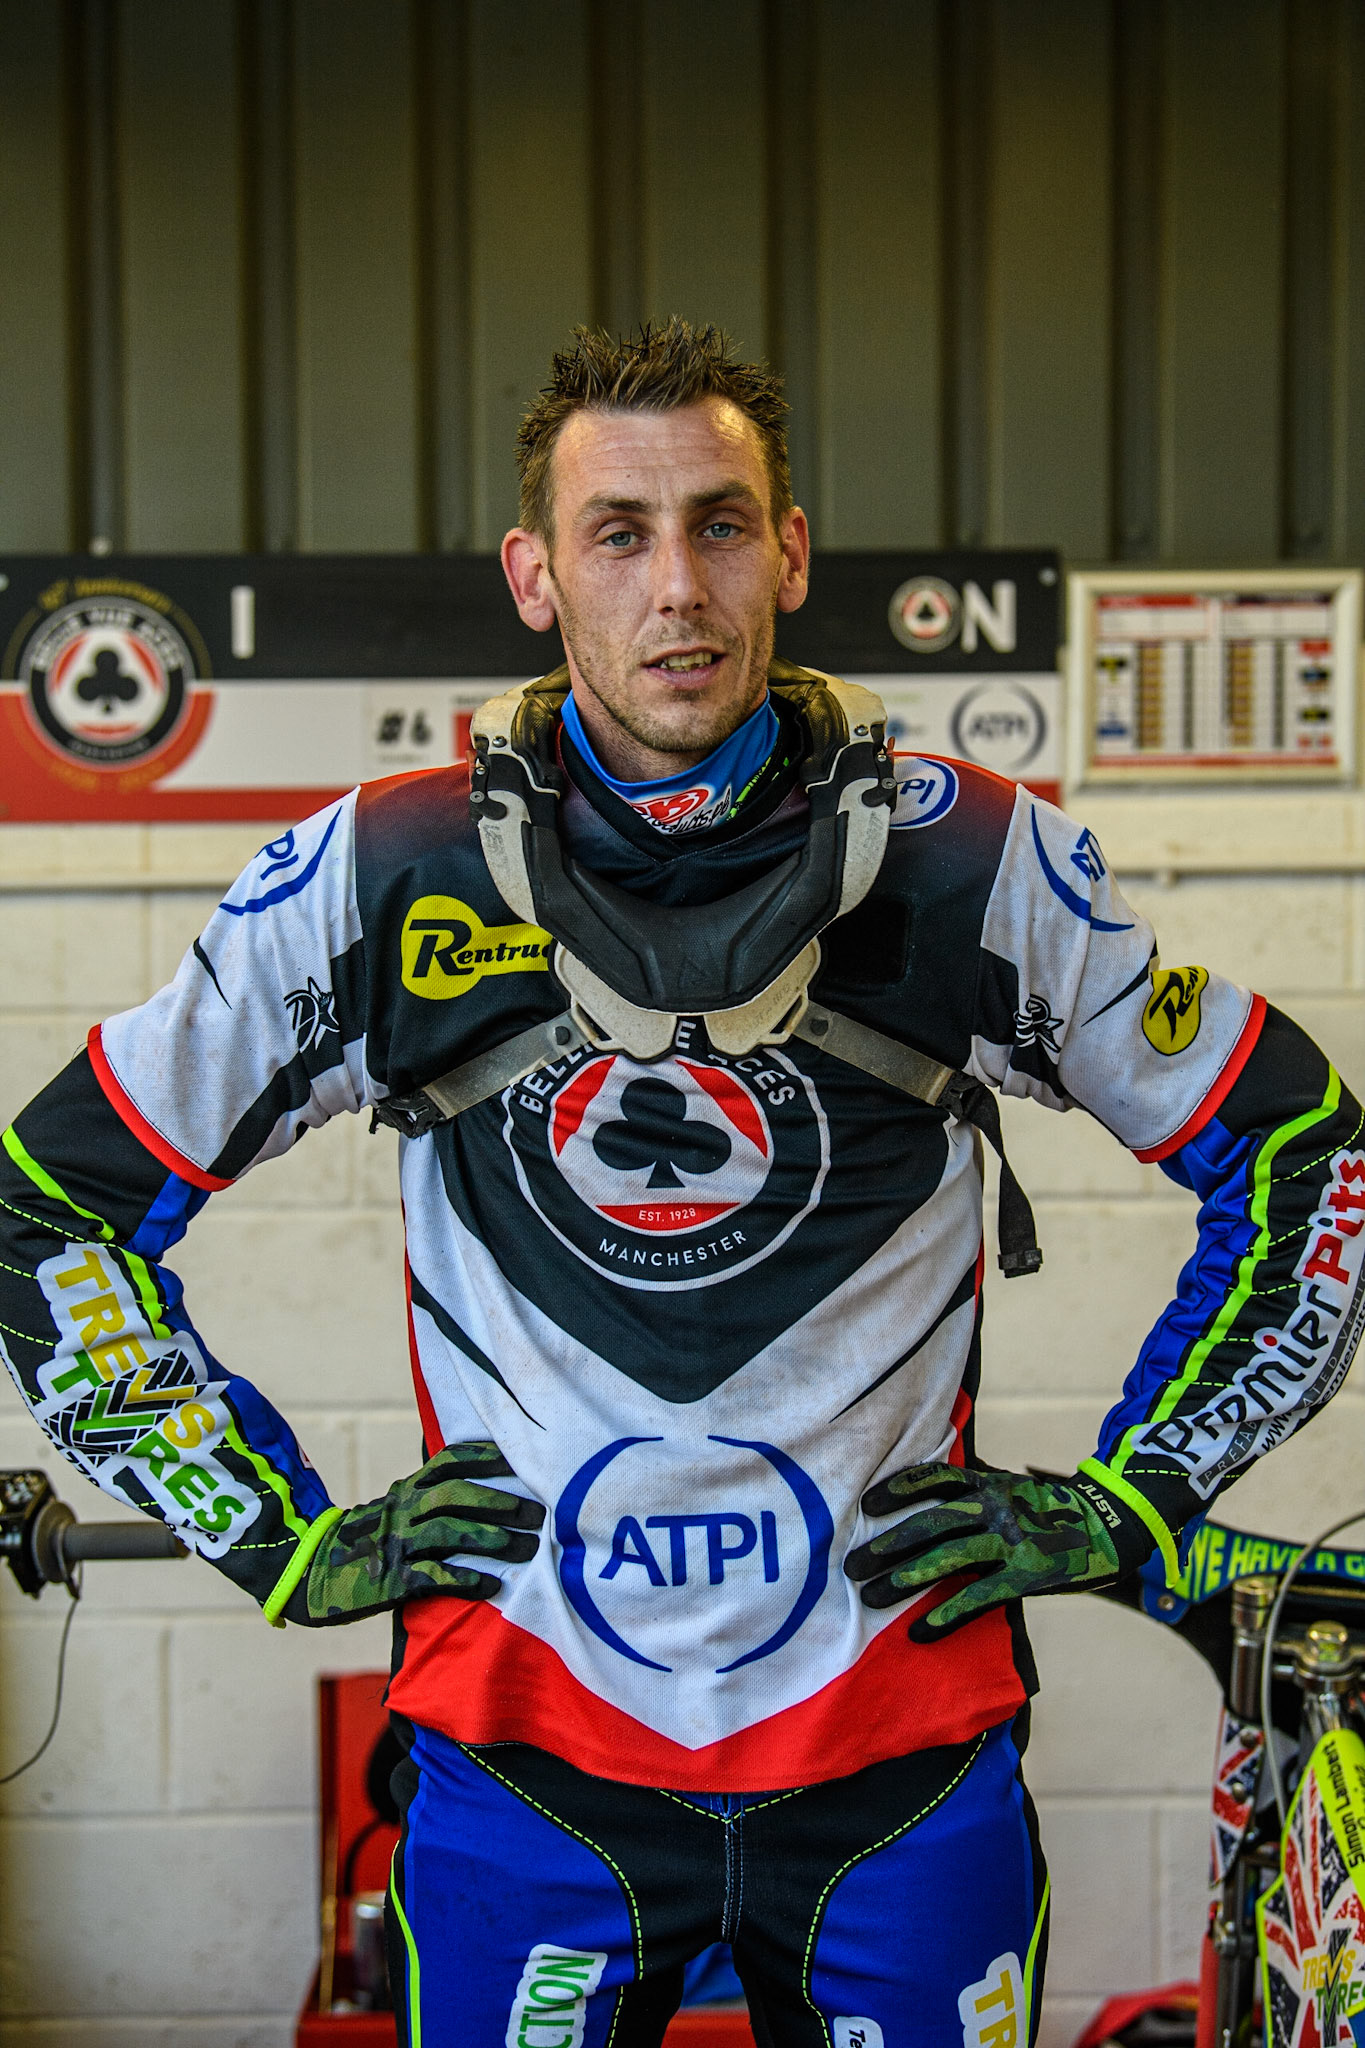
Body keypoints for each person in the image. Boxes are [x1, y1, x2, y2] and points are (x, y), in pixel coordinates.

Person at [2, 319, 1361, 2048]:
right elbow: (46, 1201)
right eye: (618, 536)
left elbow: (1308, 1159)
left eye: (721, 524)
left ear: (790, 549)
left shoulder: (968, 862)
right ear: (533, 573)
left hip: (898, 1768)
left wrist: (1137, 1491)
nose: (678, 590)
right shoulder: (378, 874)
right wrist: (274, 1535)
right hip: (528, 1767)